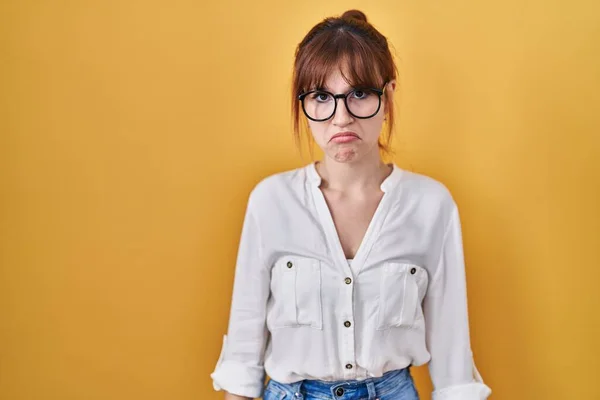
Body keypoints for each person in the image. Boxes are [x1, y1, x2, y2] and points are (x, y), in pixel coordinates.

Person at [210, 9, 492, 400]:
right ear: (303, 103)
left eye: (359, 94)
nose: (341, 117)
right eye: (322, 97)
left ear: (388, 95)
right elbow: (243, 359)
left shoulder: (431, 206)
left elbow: (453, 366)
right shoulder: (271, 202)